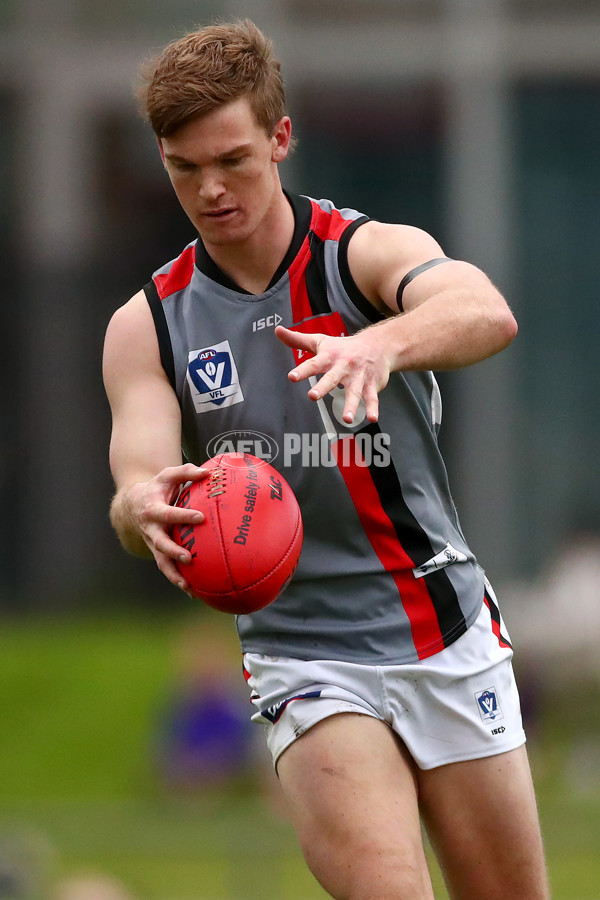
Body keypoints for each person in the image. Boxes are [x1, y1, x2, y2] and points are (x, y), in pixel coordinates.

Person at [103, 19, 549, 899]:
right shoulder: (147, 324)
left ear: (281, 138)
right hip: (304, 654)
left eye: (231, 159)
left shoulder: (365, 253)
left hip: (442, 625)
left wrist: (382, 346)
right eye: (184, 168)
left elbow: (484, 311)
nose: (211, 189)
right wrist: (141, 510)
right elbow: (135, 487)